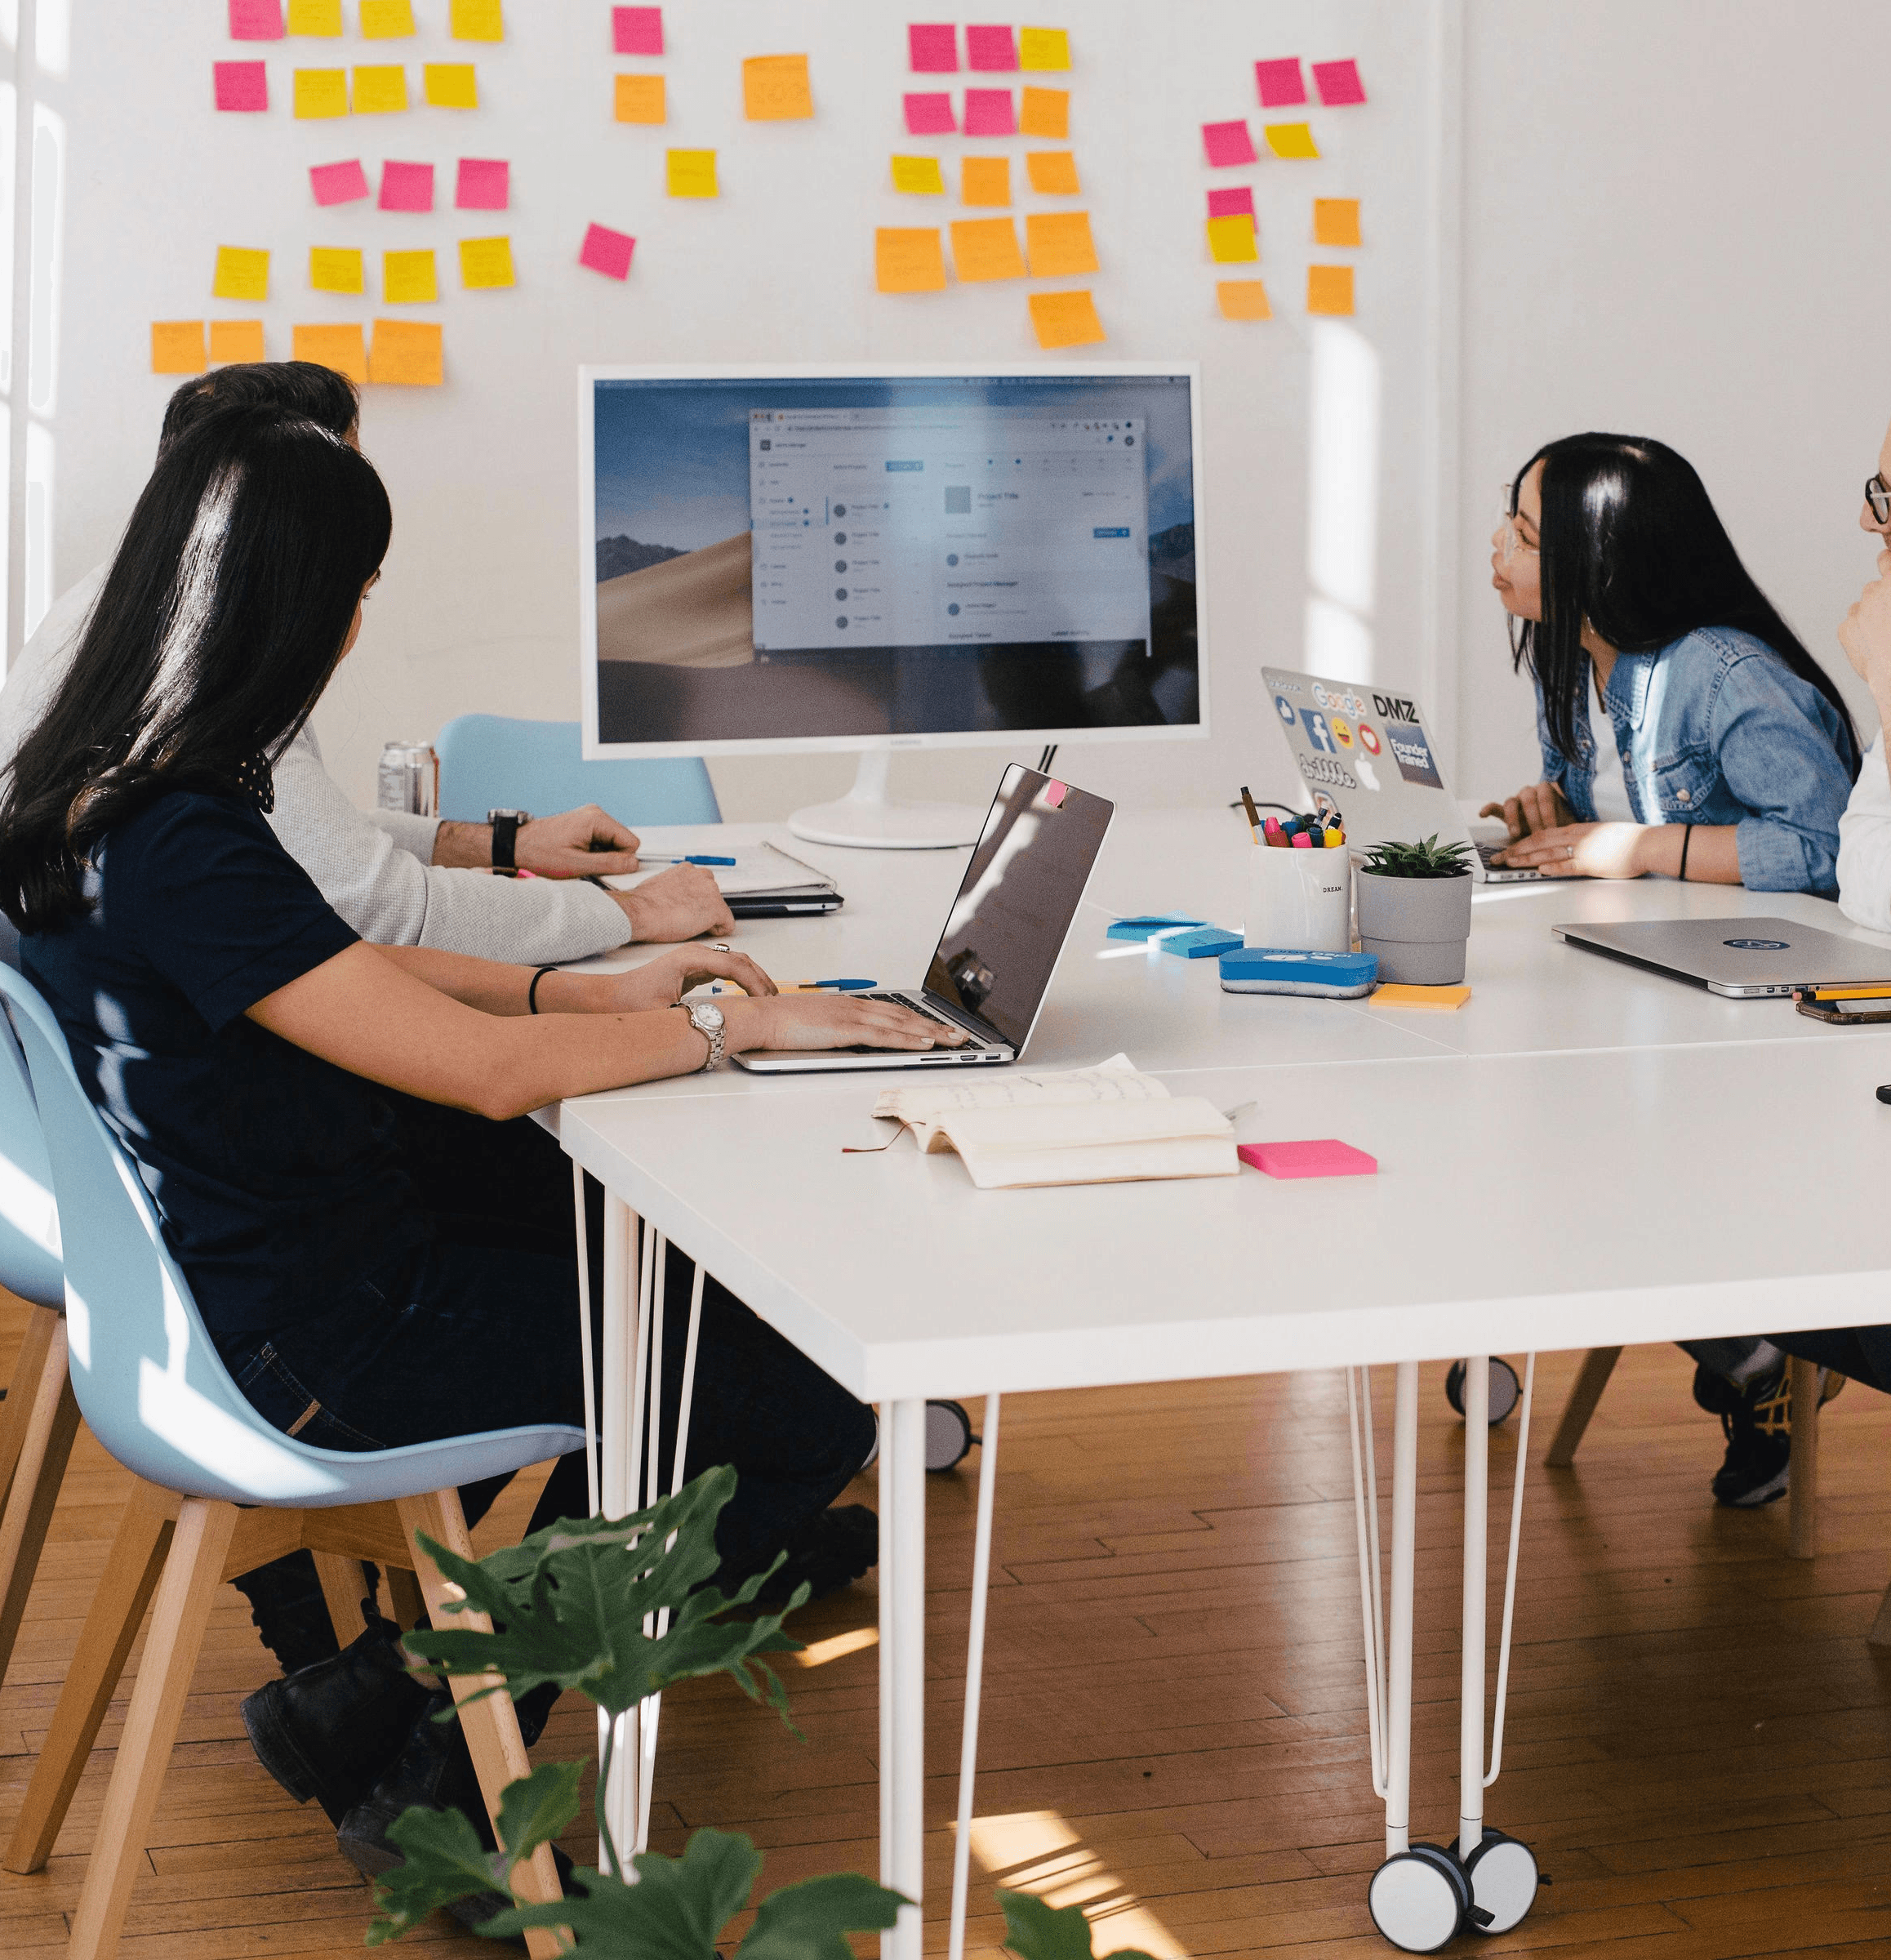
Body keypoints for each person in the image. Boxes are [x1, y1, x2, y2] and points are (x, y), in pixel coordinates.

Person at [0, 409, 963, 1899]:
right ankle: (448, 1792)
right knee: (784, 1386)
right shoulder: (185, 833)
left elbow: (350, 976)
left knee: (671, 1311)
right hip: (321, 1337)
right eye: (354, 594)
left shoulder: (96, 800)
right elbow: (491, 1078)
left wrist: (592, 989)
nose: (358, 626)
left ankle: (373, 1703)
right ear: (299, 607)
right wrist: (727, 1032)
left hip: (245, 1284)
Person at [0, 361, 729, 964]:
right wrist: (628, 914)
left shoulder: (119, 614)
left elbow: (300, 834)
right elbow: (383, 910)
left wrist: (500, 844)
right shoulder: (198, 667)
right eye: (339, 469)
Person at [1480, 433, 1860, 893]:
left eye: (1525, 535)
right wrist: (1565, 821)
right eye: (1510, 520)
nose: (1501, 541)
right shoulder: (1566, 655)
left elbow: (1826, 848)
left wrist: (1638, 848)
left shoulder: (1726, 676)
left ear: (1601, 567)